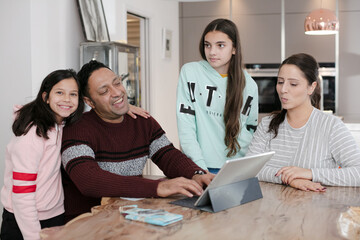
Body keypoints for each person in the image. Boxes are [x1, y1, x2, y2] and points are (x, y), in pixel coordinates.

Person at [61, 60, 214, 222]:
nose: (116, 92)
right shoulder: (76, 129)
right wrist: (157, 187)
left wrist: (196, 174)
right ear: (89, 102)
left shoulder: (142, 122)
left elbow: (168, 155)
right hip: (86, 222)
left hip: (128, 217)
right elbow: (89, 180)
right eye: (104, 91)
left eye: (117, 83)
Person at [246, 53, 360, 191]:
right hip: (269, 209)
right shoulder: (267, 125)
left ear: (311, 87)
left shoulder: (331, 126)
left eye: (293, 84)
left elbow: (357, 173)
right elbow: (249, 170)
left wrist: (310, 173)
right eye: (280, 82)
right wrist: (289, 179)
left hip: (316, 210)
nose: (283, 90)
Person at [0, 69, 84, 240]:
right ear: (46, 97)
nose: (67, 99)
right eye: (59, 92)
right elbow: (22, 192)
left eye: (73, 94)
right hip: (24, 221)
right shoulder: (33, 134)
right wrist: (33, 236)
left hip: (53, 215)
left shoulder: (59, 124)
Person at [176, 18, 258, 174]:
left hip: (238, 168)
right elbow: (186, 127)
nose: (212, 52)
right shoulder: (190, 72)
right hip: (202, 167)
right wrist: (200, 168)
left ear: (234, 48)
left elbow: (251, 130)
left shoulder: (249, 84)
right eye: (208, 45)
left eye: (220, 45)